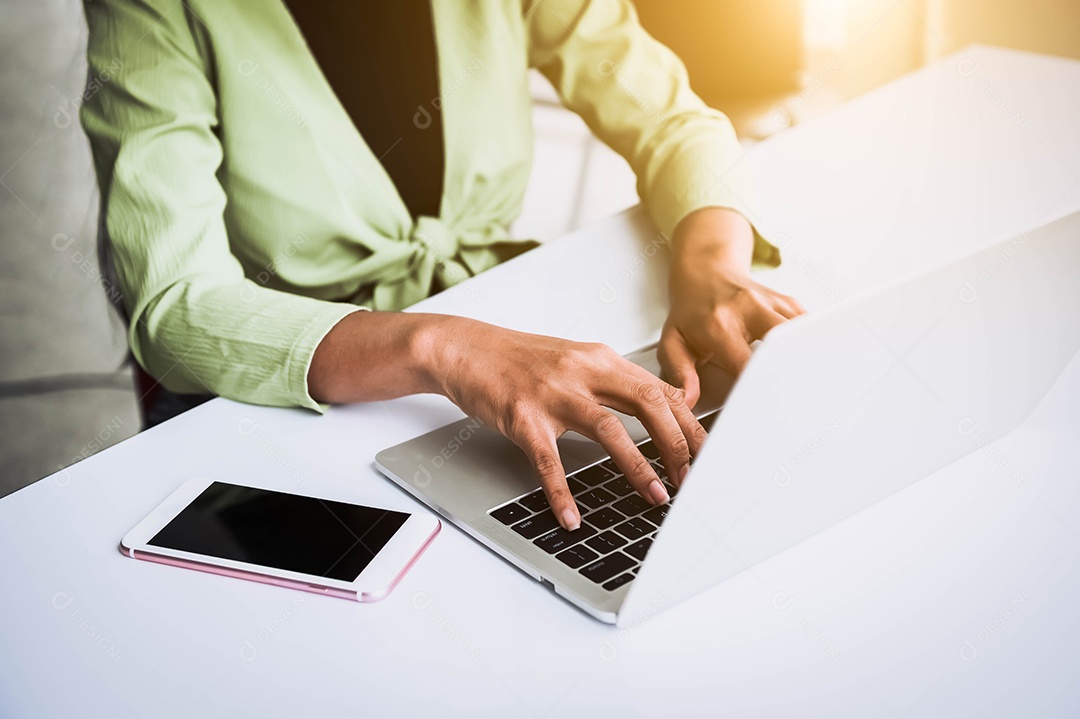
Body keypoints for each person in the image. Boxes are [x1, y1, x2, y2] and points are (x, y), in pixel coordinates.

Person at [81, 0, 804, 533]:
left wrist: (713, 261)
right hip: (289, 393)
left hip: (505, 335)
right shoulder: (156, 12)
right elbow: (177, 303)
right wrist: (444, 347)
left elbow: (671, 120)